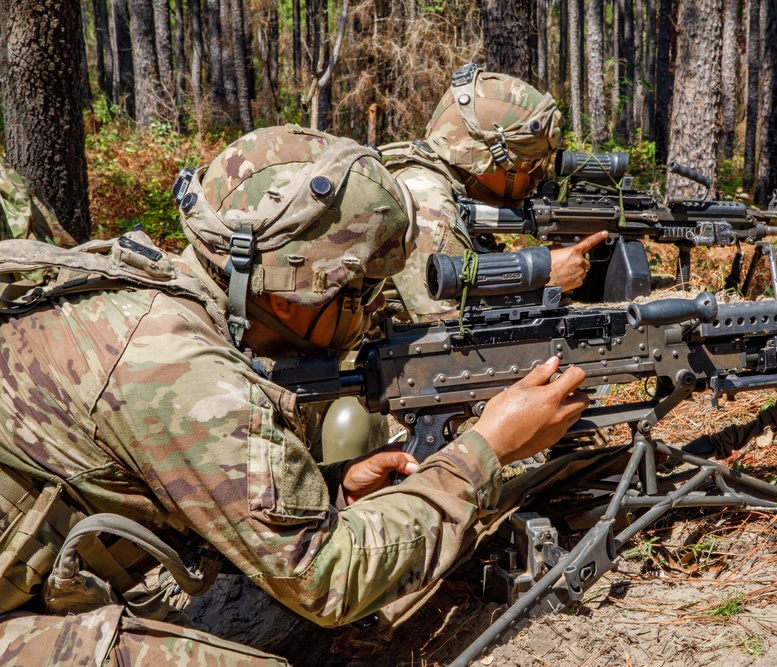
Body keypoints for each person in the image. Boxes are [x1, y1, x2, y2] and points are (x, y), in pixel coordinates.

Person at [0, 125, 588, 663]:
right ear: (289, 290)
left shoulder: (163, 303)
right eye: (359, 290)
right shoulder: (175, 372)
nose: (371, 311)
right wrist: (484, 450)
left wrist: (332, 490)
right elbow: (325, 582)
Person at [380, 63, 608, 322]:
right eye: (530, 163)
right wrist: (546, 274)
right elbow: (449, 324)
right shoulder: (425, 200)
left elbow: (476, 278)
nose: (538, 176)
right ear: (485, 159)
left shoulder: (453, 189)